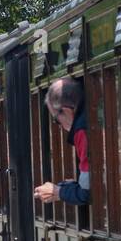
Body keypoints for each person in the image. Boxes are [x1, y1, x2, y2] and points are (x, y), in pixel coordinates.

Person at [34, 76, 90, 206]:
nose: (59, 126)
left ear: (66, 111)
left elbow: (87, 192)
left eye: (56, 120)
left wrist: (58, 192)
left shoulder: (81, 131)